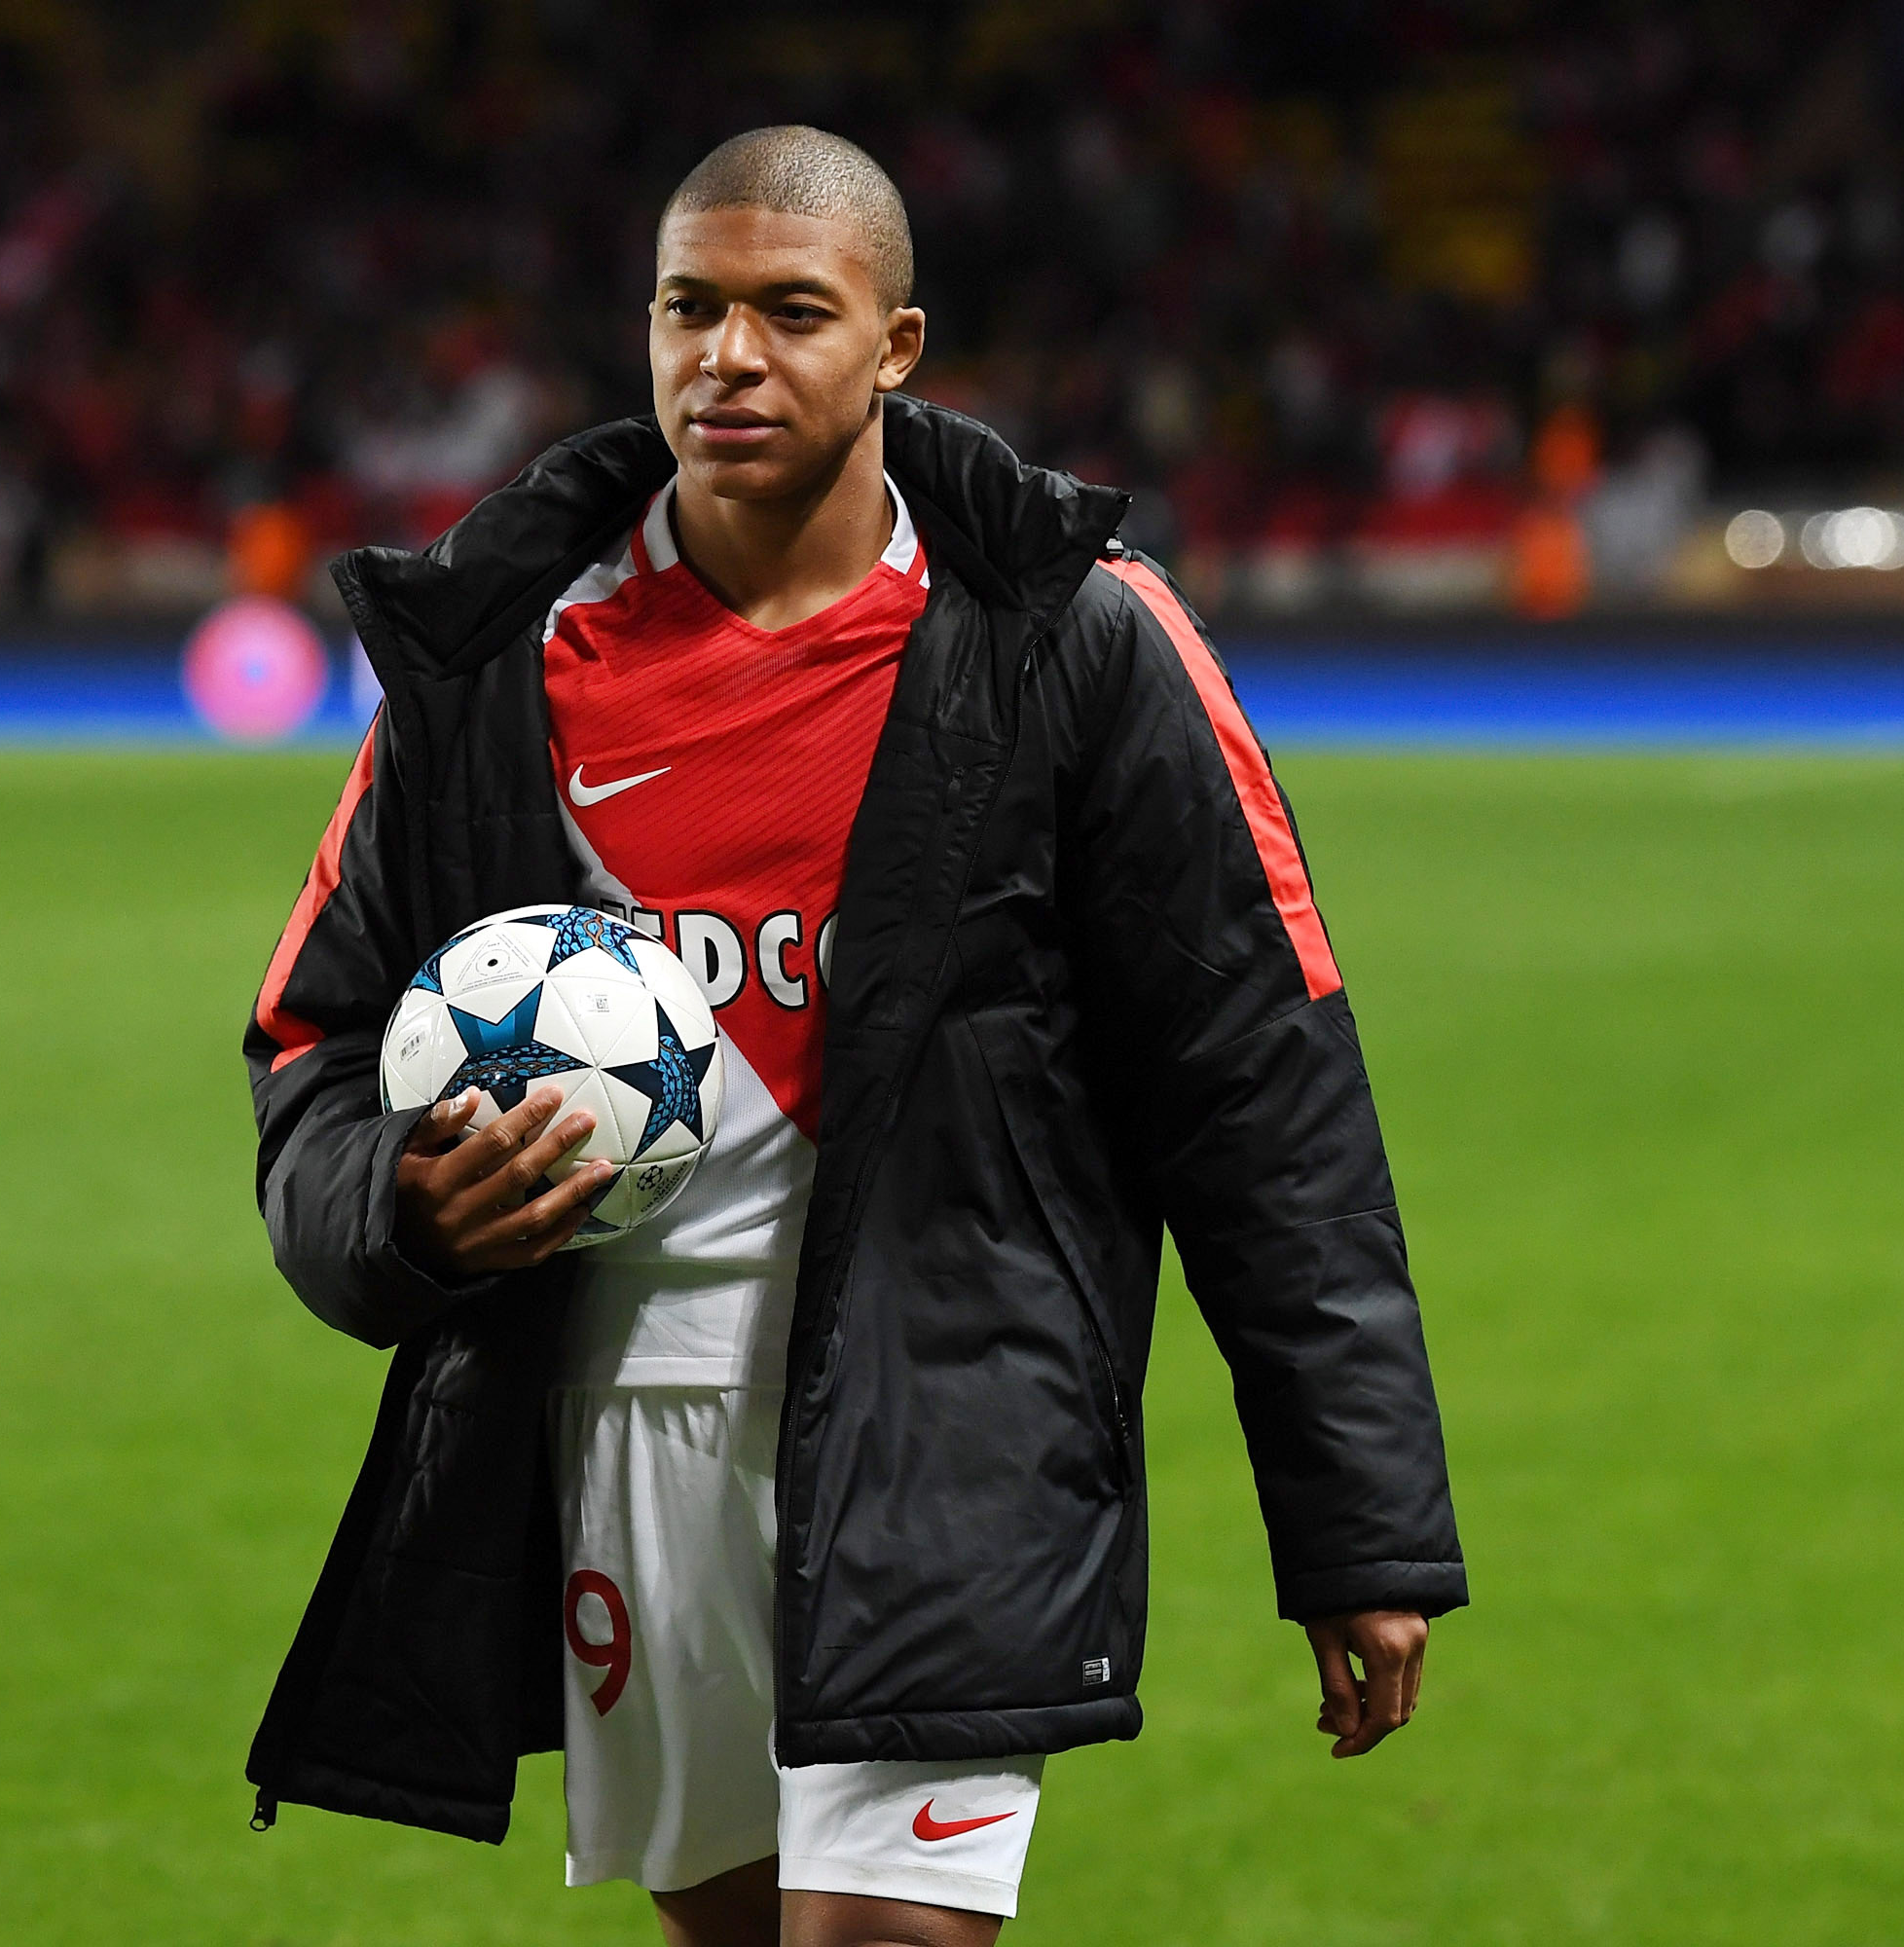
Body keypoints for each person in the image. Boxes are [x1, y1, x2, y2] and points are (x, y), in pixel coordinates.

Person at [239, 127, 1464, 1947]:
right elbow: (313, 1043)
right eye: (690, 309)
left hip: (951, 1425)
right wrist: (401, 1212)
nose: (729, 357)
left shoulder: (1076, 640)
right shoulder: (496, 662)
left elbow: (1261, 1090)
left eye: (790, 313)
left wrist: (1359, 1523)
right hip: (618, 1425)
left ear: (895, 346)